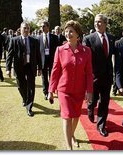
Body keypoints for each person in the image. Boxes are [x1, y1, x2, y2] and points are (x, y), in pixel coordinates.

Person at [47, 20, 93, 150]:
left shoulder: (87, 51)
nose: (68, 33)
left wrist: (89, 91)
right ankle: (69, 148)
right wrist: (51, 90)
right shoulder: (60, 50)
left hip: (79, 90)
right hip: (64, 90)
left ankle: (71, 135)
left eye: (71, 31)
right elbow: (55, 71)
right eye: (66, 31)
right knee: (67, 116)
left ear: (78, 34)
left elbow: (89, 73)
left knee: (76, 115)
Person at [83, 14, 115, 137]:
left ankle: (101, 125)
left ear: (105, 24)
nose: (97, 24)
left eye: (100, 22)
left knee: (105, 102)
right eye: (95, 21)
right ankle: (90, 109)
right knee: (93, 100)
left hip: (107, 77)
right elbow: (86, 60)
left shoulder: (111, 38)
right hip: (93, 77)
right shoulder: (89, 38)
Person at [6, 22, 42, 117]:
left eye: (28, 28)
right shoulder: (14, 40)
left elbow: (38, 55)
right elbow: (9, 56)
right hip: (19, 66)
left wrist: (40, 68)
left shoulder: (34, 40)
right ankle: (25, 98)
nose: (26, 30)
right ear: (20, 29)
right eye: (24, 28)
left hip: (30, 66)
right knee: (20, 86)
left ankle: (29, 107)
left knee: (31, 87)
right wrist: (8, 69)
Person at [38, 21, 60, 100]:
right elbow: (37, 52)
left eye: (44, 26)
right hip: (43, 60)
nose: (42, 28)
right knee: (44, 77)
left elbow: (58, 50)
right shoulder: (38, 38)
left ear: (48, 27)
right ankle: (46, 92)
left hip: (52, 60)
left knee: (52, 76)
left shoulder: (54, 37)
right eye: (41, 26)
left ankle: (52, 90)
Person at [112, 27, 123, 96]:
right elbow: (114, 54)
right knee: (116, 76)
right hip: (118, 62)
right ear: (122, 33)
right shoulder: (117, 43)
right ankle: (114, 90)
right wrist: (114, 62)